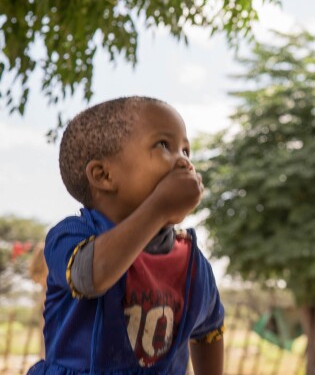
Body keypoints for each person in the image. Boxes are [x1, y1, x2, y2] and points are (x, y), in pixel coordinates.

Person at [29, 97, 224, 375]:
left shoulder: (191, 260)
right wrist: (158, 206)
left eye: (186, 150)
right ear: (103, 175)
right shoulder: (71, 236)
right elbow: (91, 277)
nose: (183, 160)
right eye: (163, 145)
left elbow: (209, 330)